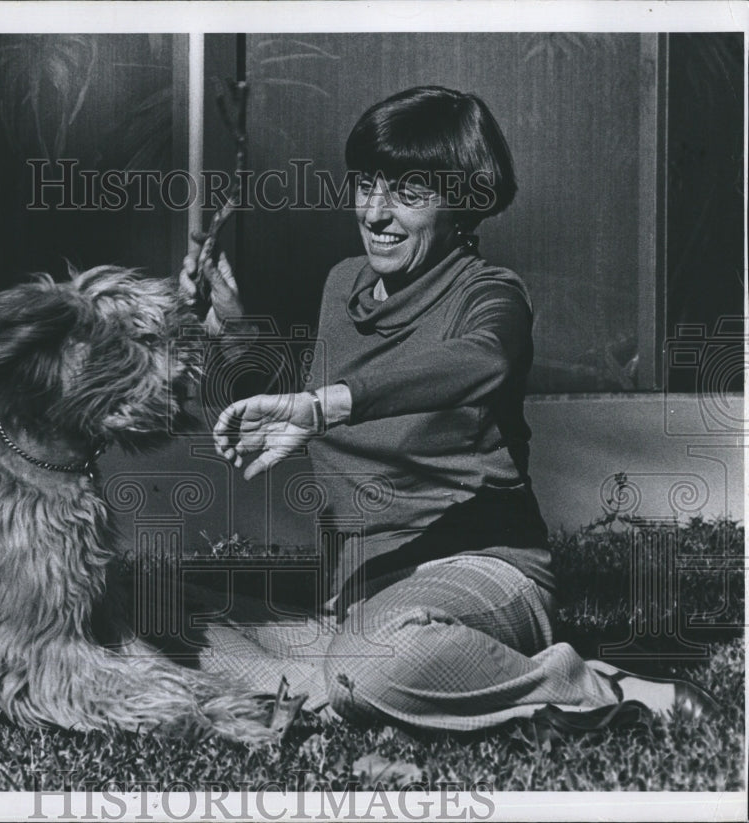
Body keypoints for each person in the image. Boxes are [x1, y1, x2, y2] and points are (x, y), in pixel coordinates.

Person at [180, 85, 716, 732]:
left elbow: (478, 361)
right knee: (167, 619)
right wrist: (233, 329)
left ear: (463, 199)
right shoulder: (342, 284)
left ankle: (596, 687)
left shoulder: (490, 294)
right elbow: (301, 402)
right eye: (368, 183)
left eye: (408, 192)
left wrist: (327, 405)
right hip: (359, 600)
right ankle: (361, 685)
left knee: (369, 666)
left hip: (485, 574)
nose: (375, 212)